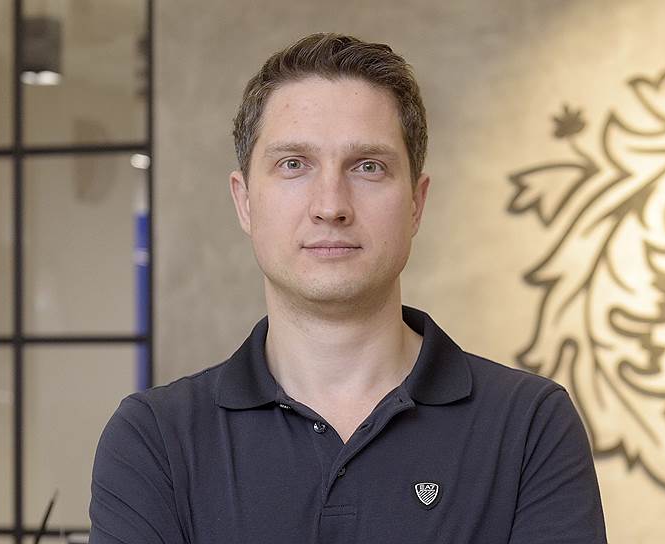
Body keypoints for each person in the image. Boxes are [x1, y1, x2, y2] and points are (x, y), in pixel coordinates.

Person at [89, 33, 607, 543]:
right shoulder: (154, 439)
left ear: (416, 203)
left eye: (368, 167)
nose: (331, 205)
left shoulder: (530, 426)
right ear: (244, 201)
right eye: (294, 164)